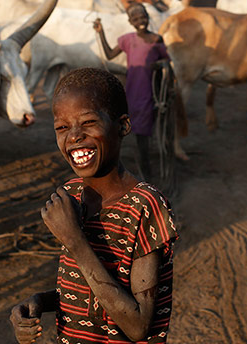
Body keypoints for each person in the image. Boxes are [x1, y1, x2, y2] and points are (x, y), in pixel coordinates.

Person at [10, 67, 178, 344]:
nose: (73, 136)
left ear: (123, 126)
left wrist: (75, 239)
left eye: (87, 122)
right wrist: (40, 301)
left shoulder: (145, 206)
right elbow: (88, 291)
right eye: (62, 127)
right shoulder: (71, 196)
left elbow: (138, 326)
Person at [93, 2, 170, 181]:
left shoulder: (157, 40)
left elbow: (167, 63)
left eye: (142, 17)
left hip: (149, 95)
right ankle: (121, 174)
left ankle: (147, 179)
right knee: (124, 132)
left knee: (143, 139)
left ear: (148, 18)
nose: (140, 21)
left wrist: (158, 66)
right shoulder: (128, 40)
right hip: (130, 94)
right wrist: (100, 32)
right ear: (130, 21)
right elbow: (110, 54)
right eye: (135, 18)